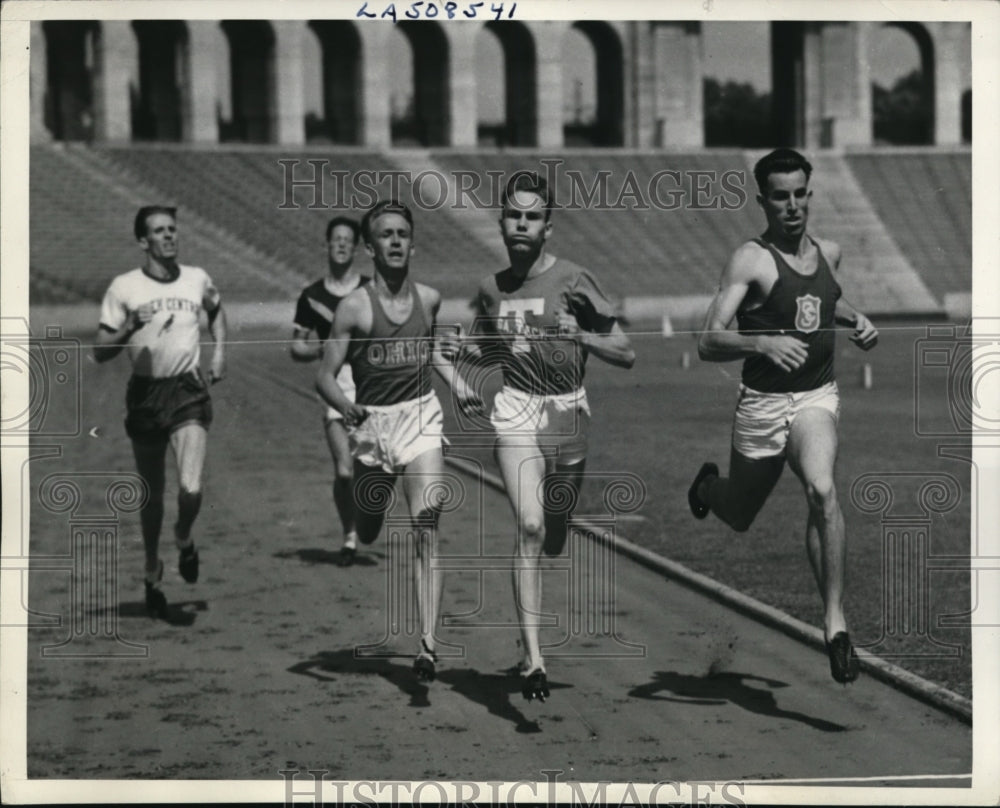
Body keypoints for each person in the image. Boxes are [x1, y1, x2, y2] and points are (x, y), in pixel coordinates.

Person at [687, 148, 878, 684]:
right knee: (739, 514)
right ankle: (706, 489)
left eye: (800, 194)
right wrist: (765, 342)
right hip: (761, 407)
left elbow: (822, 301)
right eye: (780, 196)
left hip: (815, 396)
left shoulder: (829, 252)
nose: (792, 205)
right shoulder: (750, 259)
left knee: (822, 489)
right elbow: (707, 340)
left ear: (809, 195)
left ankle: (836, 625)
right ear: (763, 201)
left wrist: (857, 318)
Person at [454, 171, 635, 702]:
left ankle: (560, 521)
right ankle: (534, 659)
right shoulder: (491, 289)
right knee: (529, 526)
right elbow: (483, 346)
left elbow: (626, 353)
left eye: (533, 217)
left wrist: (580, 334)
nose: (522, 225)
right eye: (514, 215)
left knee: (555, 524)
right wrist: (460, 370)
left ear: (547, 227)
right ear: (502, 221)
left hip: (567, 411)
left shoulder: (576, 280)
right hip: (515, 411)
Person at [316, 199, 460, 682]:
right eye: (385, 235)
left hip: (420, 416)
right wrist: (346, 404)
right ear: (370, 248)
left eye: (402, 233)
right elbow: (324, 375)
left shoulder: (431, 298)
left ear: (412, 243)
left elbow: (433, 351)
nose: (395, 241)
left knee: (426, 521)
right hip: (373, 426)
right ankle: (359, 516)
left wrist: (459, 384)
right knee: (372, 526)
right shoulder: (354, 308)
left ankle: (427, 646)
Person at [95, 206, 227, 619]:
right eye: (159, 231)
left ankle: (184, 538)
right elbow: (100, 351)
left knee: (190, 488)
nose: (169, 236)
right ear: (143, 241)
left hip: (187, 390)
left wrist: (220, 350)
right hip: (146, 395)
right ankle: (152, 569)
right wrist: (129, 326)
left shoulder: (196, 278)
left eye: (172, 229)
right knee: (151, 496)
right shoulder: (124, 288)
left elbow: (216, 310)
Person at [291, 216, 366, 564]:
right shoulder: (312, 296)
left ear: (355, 247)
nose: (340, 244)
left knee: (372, 467)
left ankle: (367, 519)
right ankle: (349, 536)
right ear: (327, 245)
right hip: (334, 383)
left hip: (372, 383)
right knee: (344, 471)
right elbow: (296, 347)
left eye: (347, 240)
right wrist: (327, 350)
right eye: (335, 239)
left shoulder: (370, 289)